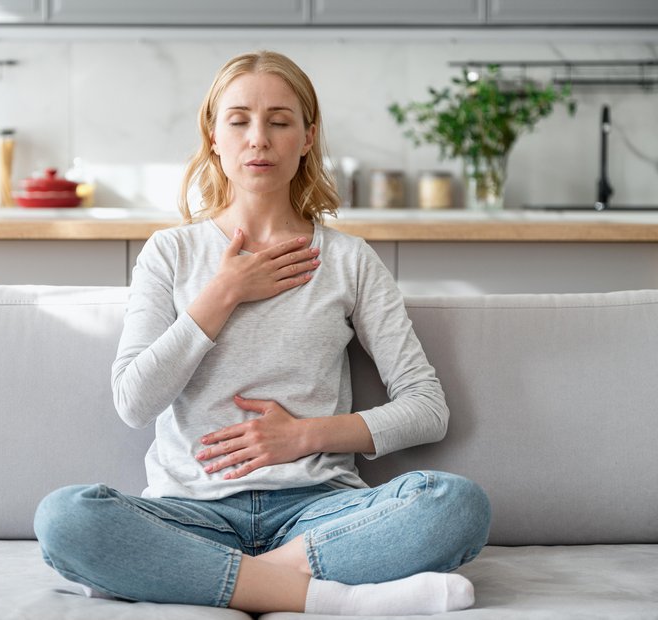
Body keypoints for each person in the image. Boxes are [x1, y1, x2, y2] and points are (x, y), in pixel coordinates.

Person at [34, 50, 491, 616]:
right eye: (239, 120)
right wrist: (222, 293)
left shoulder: (348, 260)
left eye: (279, 121)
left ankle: (193, 578)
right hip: (192, 513)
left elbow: (427, 407)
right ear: (213, 134)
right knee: (64, 518)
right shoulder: (170, 254)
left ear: (306, 138)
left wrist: (305, 436)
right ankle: (335, 600)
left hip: (316, 514)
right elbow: (134, 402)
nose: (259, 139)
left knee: (456, 505)